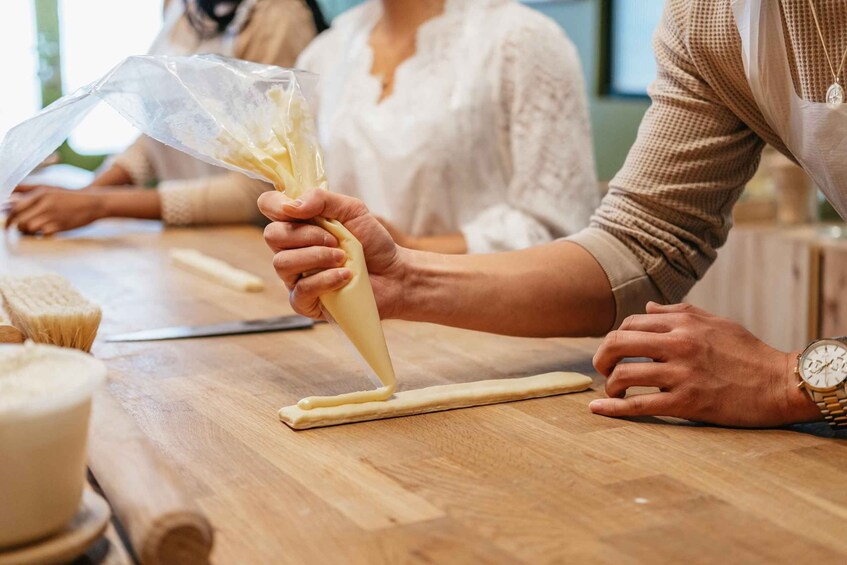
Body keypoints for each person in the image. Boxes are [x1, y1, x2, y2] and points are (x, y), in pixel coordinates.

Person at [259, 0, 847, 428]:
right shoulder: (706, 21)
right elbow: (642, 245)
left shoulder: (518, 36)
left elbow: (558, 218)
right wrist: (404, 278)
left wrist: (792, 378)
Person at [291, 0, 599, 253]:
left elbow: (561, 232)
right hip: (346, 304)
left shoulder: (522, 41)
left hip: (482, 313)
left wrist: (408, 249)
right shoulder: (327, 52)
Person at [6, 0, 326, 235]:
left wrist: (99, 205)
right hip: (186, 240)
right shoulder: (182, 8)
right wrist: (84, 195)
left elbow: (260, 189)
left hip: (244, 241)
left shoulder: (278, 17)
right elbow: (167, 129)